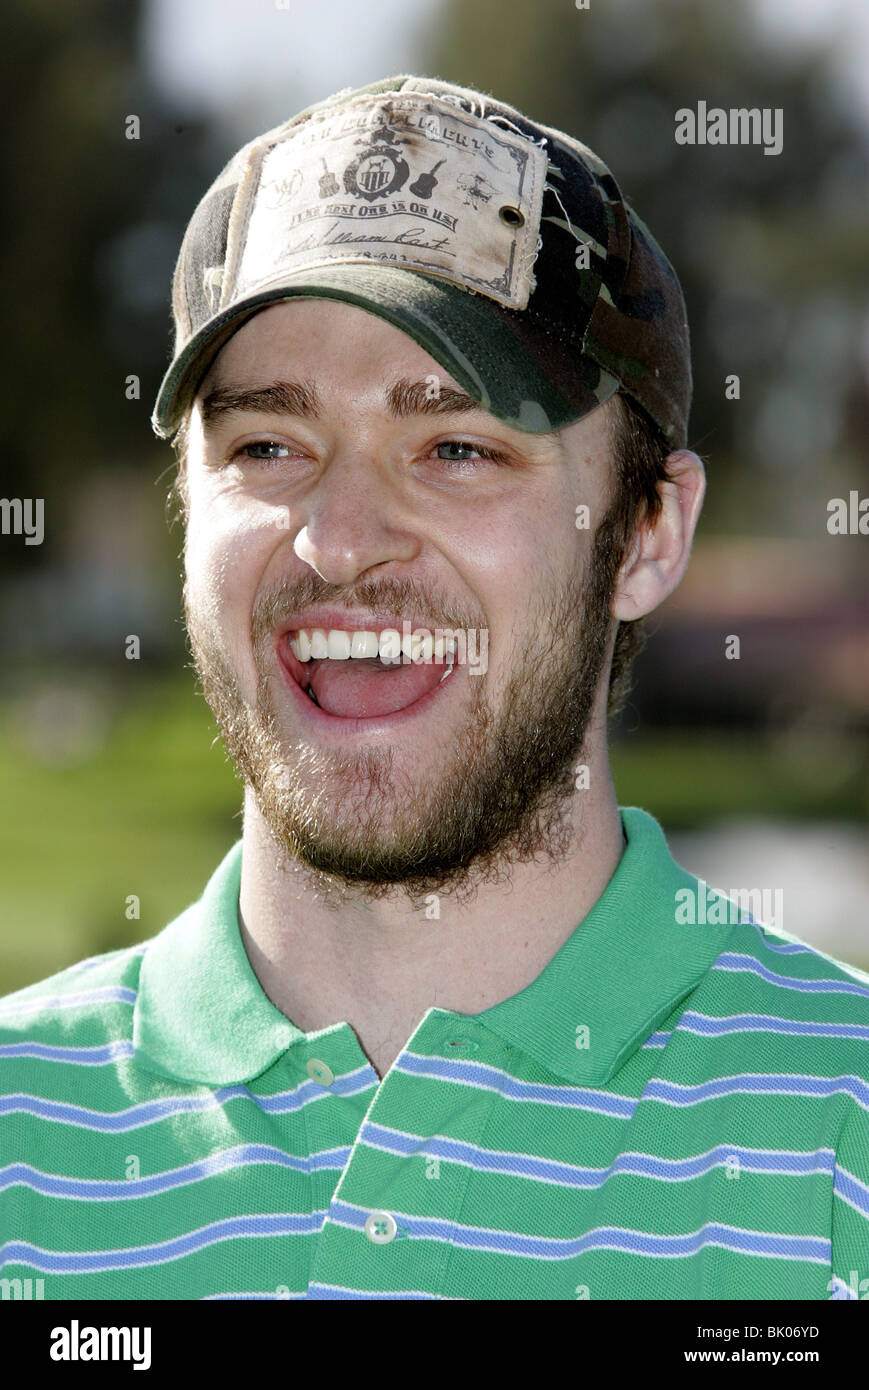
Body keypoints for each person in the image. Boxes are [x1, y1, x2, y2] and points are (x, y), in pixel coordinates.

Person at [1, 75, 867, 1302]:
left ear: (645, 535)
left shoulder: (842, 1138)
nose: (339, 540)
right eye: (267, 446)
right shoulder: (18, 1137)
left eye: (456, 448)